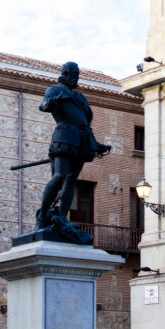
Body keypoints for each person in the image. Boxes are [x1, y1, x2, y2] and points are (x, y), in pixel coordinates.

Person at [36, 62, 112, 231]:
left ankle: (63, 218)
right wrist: (48, 104)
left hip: (82, 139)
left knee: (71, 180)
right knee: (59, 176)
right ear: (65, 73)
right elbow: (44, 104)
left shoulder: (81, 98)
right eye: (73, 74)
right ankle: (42, 218)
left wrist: (96, 144)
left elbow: (85, 124)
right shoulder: (55, 90)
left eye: (78, 74)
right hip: (64, 135)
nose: (76, 77)